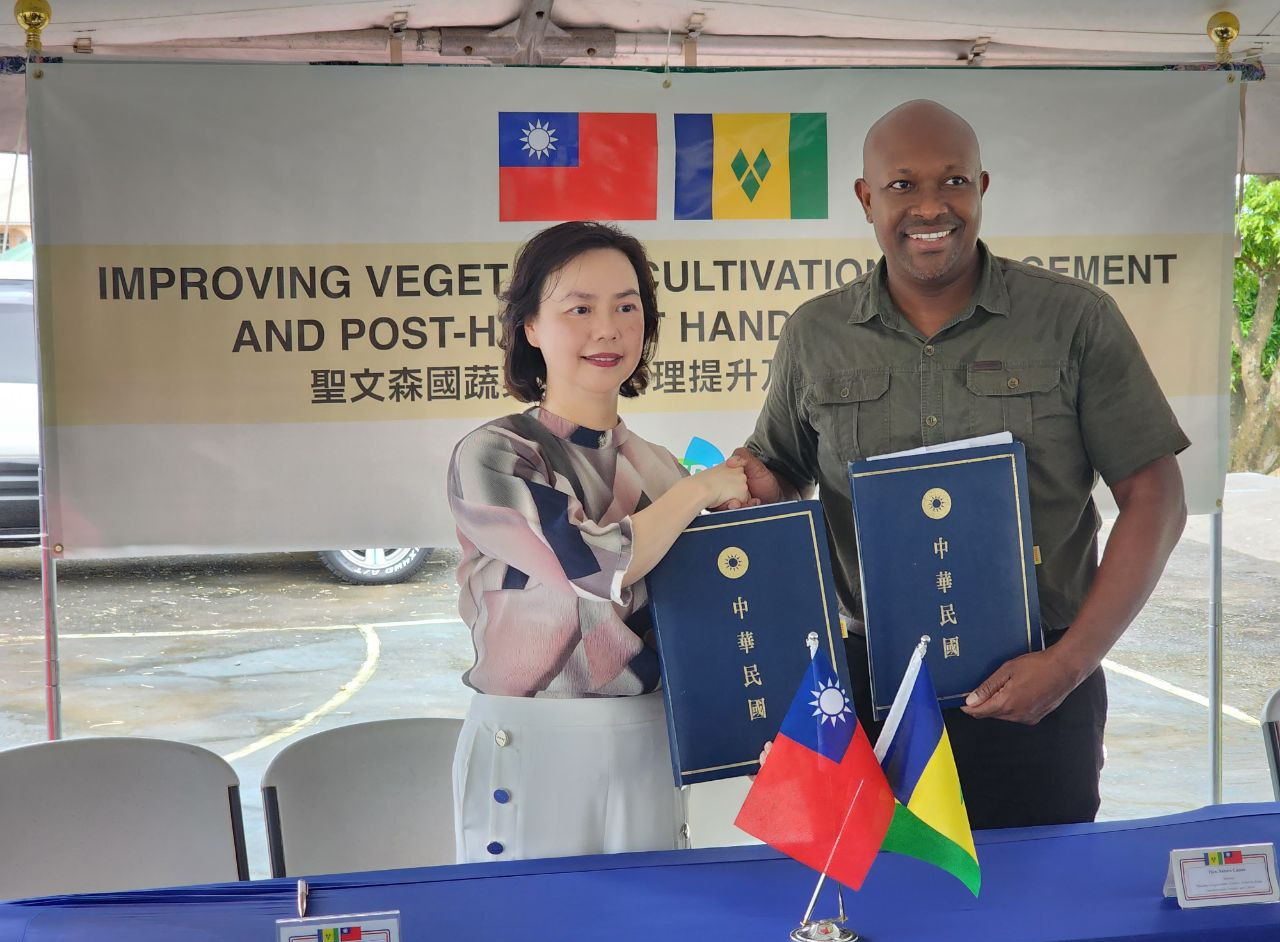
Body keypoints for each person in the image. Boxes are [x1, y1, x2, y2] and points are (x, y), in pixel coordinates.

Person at [731, 100, 1188, 830]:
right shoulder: (817, 334)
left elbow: (1156, 495)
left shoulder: (1073, 320)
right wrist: (744, 485)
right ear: (865, 198)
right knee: (868, 918)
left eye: (953, 182)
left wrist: (1069, 666)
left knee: (1033, 925)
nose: (930, 206)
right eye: (902, 186)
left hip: (1038, 693)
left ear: (982, 186)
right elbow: (781, 469)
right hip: (865, 697)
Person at [447, 221, 749, 862]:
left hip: (651, 738)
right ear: (529, 326)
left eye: (626, 306)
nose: (607, 329)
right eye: (579, 308)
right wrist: (698, 494)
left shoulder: (660, 465)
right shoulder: (495, 455)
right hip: (532, 739)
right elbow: (593, 563)